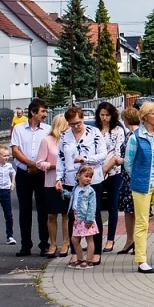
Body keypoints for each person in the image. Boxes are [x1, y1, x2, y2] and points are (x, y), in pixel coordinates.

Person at [124, 101, 154, 274]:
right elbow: (128, 163)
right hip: (142, 184)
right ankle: (142, 260)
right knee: (142, 222)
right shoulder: (135, 137)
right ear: (145, 116)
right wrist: (138, 176)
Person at [59, 106, 111, 264]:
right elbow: (60, 158)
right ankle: (75, 252)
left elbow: (103, 154)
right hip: (71, 180)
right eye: (72, 124)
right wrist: (58, 178)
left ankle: (96, 252)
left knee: (93, 214)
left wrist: (86, 159)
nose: (76, 126)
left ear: (82, 118)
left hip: (91, 178)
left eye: (78, 122)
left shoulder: (94, 133)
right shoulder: (64, 136)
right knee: (72, 216)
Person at [9, 98, 51, 256]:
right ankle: (25, 245)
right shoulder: (18, 129)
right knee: (25, 210)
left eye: (45, 111)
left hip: (42, 174)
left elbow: (51, 151)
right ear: (33, 112)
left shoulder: (47, 129)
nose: (45, 114)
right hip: (24, 173)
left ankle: (44, 245)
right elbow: (16, 151)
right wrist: (31, 164)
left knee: (43, 210)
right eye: (42, 111)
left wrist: (38, 166)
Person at [95, 103, 126, 253]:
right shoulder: (95, 130)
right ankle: (96, 239)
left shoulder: (118, 130)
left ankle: (111, 239)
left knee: (112, 206)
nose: (104, 118)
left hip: (113, 171)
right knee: (95, 207)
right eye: (102, 115)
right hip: (96, 172)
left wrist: (106, 168)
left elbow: (118, 153)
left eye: (107, 115)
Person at [43, 115, 69, 260]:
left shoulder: (70, 140)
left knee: (66, 214)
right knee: (52, 214)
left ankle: (66, 242)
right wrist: (54, 166)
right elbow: (40, 162)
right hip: (51, 181)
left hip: (67, 181)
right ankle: (52, 243)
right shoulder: (47, 140)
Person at [116, 107, 140, 257]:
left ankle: (136, 240)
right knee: (128, 210)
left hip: (134, 177)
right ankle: (130, 239)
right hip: (126, 177)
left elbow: (136, 158)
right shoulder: (130, 133)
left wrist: (121, 160)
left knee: (136, 210)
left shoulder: (136, 135)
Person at [68, 166, 100, 269]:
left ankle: (89, 260)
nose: (88, 179)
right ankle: (80, 258)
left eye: (90, 177)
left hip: (86, 218)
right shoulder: (76, 188)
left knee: (89, 239)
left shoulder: (90, 191)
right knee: (74, 239)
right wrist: (63, 193)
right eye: (86, 176)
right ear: (78, 176)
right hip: (77, 217)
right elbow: (73, 197)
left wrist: (89, 219)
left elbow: (92, 206)